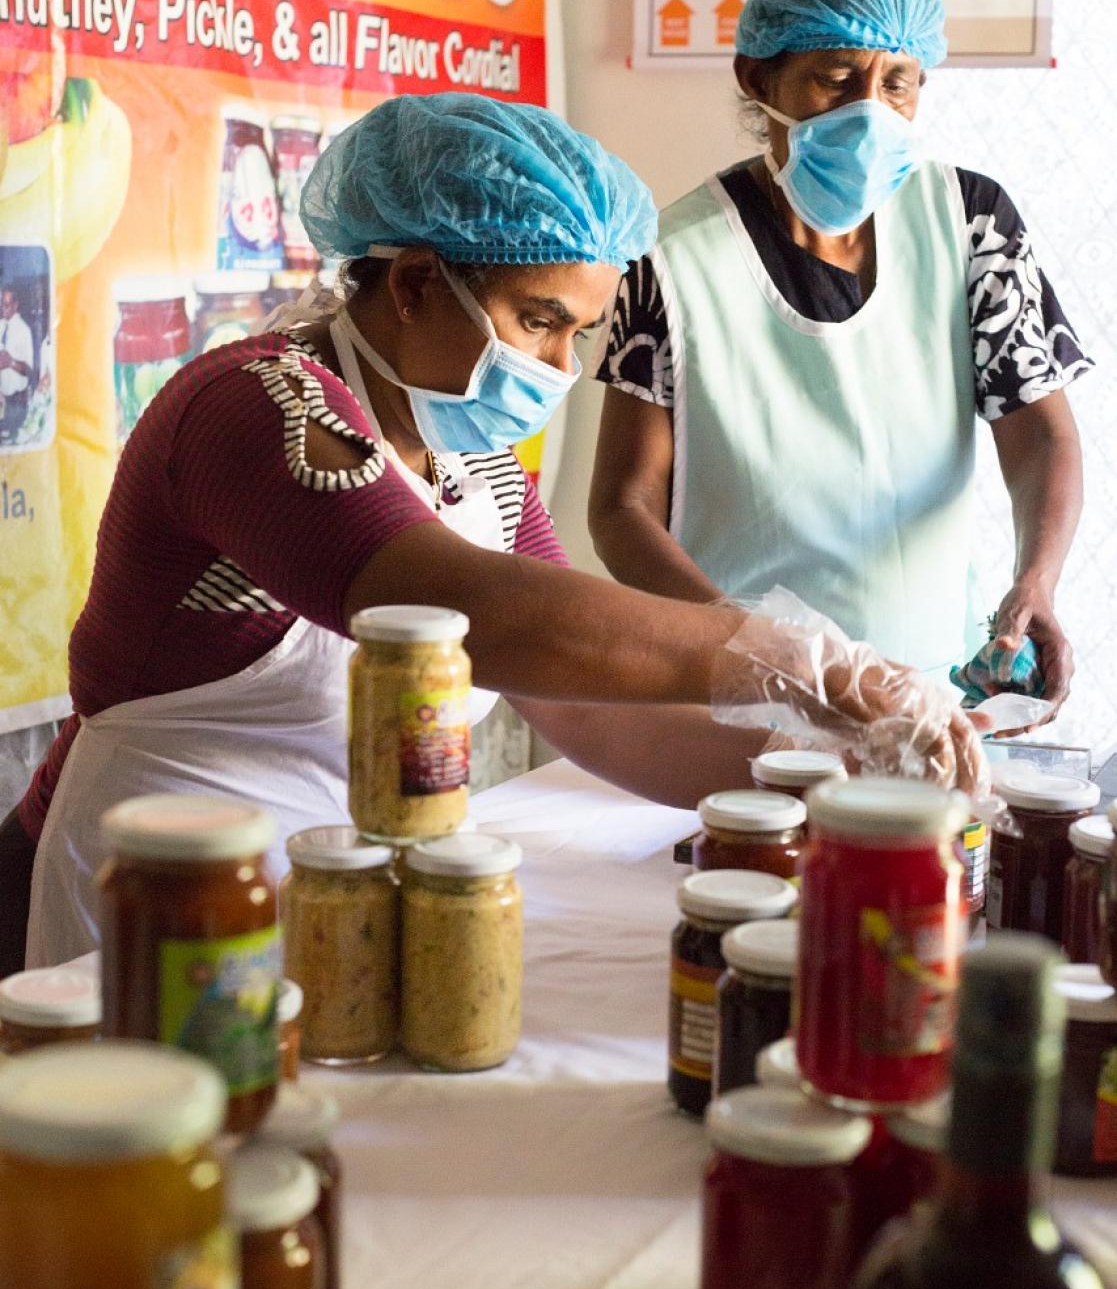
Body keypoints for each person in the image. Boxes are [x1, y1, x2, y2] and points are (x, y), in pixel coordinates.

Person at [1, 94, 982, 969]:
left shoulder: (473, 466)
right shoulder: (254, 406)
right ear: (415, 284)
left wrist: (830, 772)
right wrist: (803, 663)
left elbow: (588, 708)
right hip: (155, 894)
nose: (559, 367)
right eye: (537, 320)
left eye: (578, 334)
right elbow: (476, 613)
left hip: (338, 897)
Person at [589, 0, 1090, 713]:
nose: (869, 112)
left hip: (927, 692)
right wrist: (751, 645)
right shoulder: (669, 260)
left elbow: (1038, 432)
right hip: (742, 695)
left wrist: (1035, 583)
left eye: (897, 83)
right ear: (758, 76)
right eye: (834, 79)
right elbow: (621, 508)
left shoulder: (968, 222)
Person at [0, 285, 34, 440]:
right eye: (1, 303)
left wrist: (11, 362)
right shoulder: (0, 326)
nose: (3, 308)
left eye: (7, 305)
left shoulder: (24, 331)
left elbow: (30, 371)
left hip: (16, 403)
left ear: (15, 305)